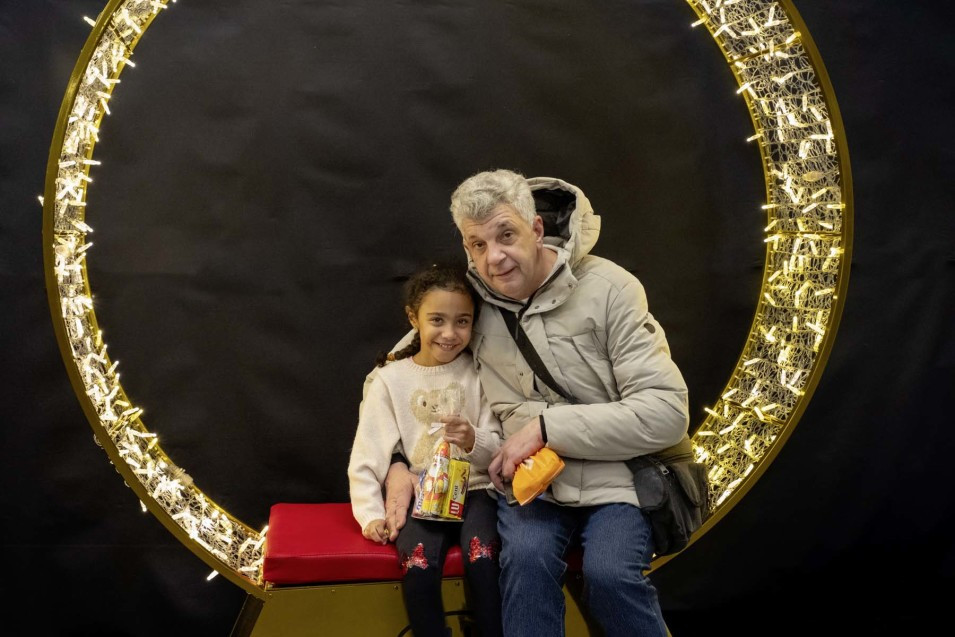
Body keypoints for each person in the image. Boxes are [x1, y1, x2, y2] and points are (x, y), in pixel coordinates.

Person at [384, 170, 690, 636]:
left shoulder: (611, 289)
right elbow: (401, 370)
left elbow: (667, 413)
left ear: (536, 229)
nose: (494, 257)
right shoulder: (471, 301)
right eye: (478, 244)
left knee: (609, 576)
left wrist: (546, 429)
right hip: (532, 485)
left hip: (617, 477)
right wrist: (396, 460)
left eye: (506, 235)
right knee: (524, 565)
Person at [348, 263, 504, 637]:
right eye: (437, 320)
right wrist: (370, 515)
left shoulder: (480, 372)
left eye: (462, 321)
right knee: (417, 565)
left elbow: (497, 448)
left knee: (483, 558)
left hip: (477, 493)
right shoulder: (390, 380)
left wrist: (472, 439)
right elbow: (367, 455)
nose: (450, 333)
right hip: (423, 495)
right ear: (413, 318)